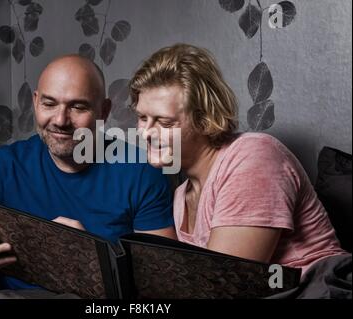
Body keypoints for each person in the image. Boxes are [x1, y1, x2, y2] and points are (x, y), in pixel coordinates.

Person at [0, 55, 176, 290]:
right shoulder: (2, 166)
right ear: (35, 102)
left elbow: (160, 284)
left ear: (103, 110)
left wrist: (91, 257)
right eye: (49, 104)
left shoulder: (141, 172)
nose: (61, 120)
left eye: (77, 106)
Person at [129, 43, 350, 284]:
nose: (146, 132)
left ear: (204, 120)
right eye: (142, 118)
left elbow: (224, 285)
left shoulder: (253, 156)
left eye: (164, 122)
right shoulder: (183, 195)